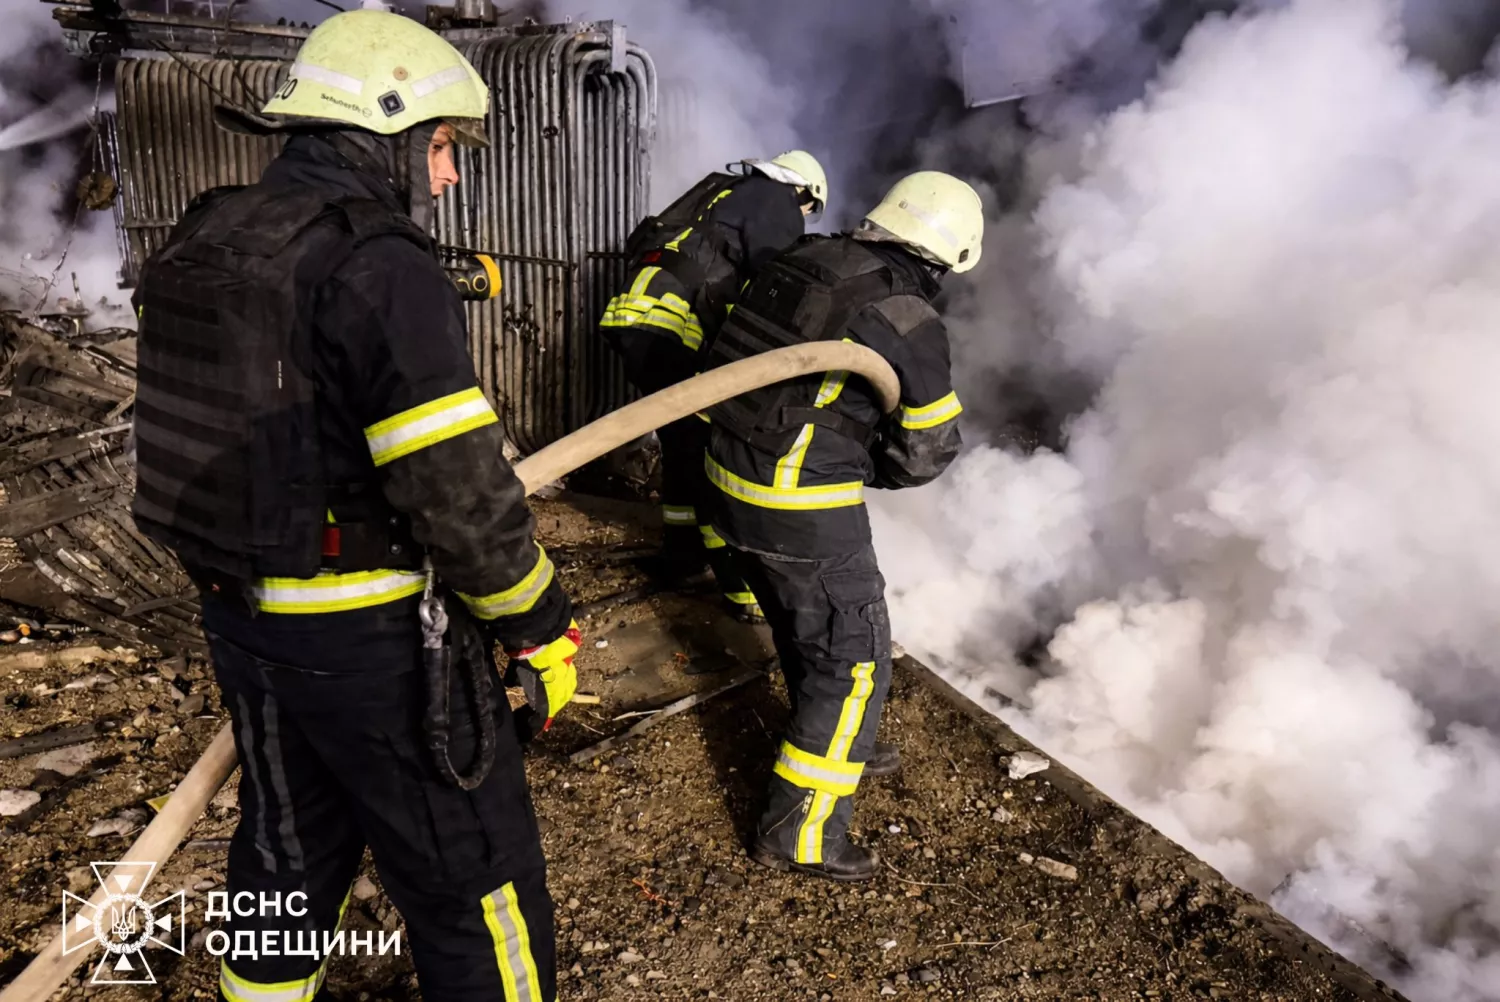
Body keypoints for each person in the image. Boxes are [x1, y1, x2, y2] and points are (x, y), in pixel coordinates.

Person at [128, 11, 578, 1001]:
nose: (452, 175)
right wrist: (540, 627)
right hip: (373, 641)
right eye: (449, 146)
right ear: (394, 134)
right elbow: (459, 497)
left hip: (242, 622)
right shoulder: (381, 265)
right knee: (478, 890)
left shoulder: (213, 232)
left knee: (286, 854)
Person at [697, 171, 982, 881]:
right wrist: (861, 465)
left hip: (722, 476)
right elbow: (927, 449)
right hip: (797, 504)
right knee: (854, 655)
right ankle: (803, 832)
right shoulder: (907, 316)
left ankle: (844, 740)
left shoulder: (800, 258)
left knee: (806, 622)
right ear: (950, 257)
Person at [600, 151, 828, 622]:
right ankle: (743, 593)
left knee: (683, 448)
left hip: (636, 319)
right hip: (674, 329)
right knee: (712, 456)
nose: (801, 218)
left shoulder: (720, 191)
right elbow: (774, 283)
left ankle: (681, 560)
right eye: (808, 210)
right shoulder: (774, 200)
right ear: (802, 191)